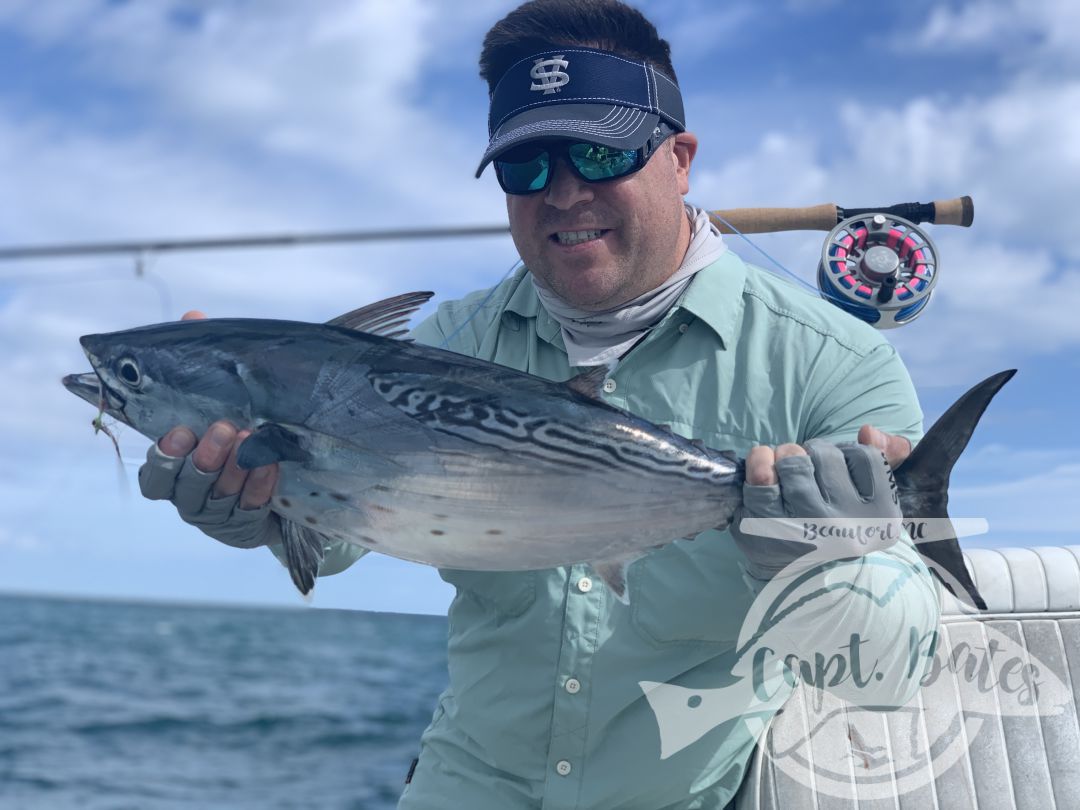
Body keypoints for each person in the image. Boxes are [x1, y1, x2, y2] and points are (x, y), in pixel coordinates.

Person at [137, 1, 940, 807]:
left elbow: (896, 661)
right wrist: (261, 511)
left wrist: (819, 569)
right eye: (526, 168)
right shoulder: (445, 344)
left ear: (681, 157)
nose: (561, 194)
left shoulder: (834, 361)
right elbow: (347, 531)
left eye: (599, 152)